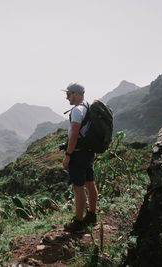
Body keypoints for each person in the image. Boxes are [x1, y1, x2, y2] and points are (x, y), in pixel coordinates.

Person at [61, 82, 98, 233]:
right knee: (90, 183)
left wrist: (68, 155)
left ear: (76, 94)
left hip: (78, 154)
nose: (66, 97)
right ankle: (92, 216)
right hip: (88, 152)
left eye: (68, 94)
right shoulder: (87, 106)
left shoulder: (77, 110)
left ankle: (78, 222)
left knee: (78, 188)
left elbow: (75, 134)